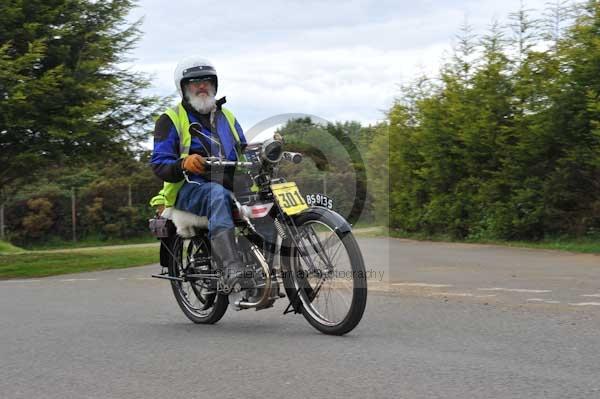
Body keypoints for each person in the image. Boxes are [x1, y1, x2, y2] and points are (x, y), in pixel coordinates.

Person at [149, 56, 254, 291]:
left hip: (230, 183)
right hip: (188, 188)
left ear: (215, 84)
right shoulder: (171, 119)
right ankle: (231, 269)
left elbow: (244, 152)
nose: (202, 86)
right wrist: (184, 163)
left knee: (270, 197)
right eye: (195, 82)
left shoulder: (228, 117)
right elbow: (159, 164)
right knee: (217, 195)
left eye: (207, 80)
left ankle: (266, 264)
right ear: (184, 88)